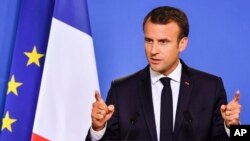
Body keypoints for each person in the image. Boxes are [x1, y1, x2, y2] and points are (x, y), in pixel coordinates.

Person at [86, 6, 241, 141]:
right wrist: (97, 129)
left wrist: (233, 128)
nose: (153, 51)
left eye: (163, 42)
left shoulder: (210, 87)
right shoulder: (122, 90)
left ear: (182, 43)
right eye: (149, 40)